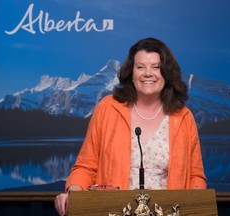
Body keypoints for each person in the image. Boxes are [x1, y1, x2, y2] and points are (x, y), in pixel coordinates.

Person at [54, 37, 207, 215]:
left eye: (156, 67)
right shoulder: (107, 108)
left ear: (166, 73)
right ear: (131, 74)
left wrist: (196, 206)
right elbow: (86, 166)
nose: (147, 73)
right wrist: (73, 194)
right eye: (140, 67)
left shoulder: (184, 117)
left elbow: (195, 175)